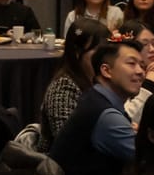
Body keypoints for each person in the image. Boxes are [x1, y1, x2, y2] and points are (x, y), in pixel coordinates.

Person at [49, 38, 144, 175]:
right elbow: (152, 159)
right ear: (106, 71)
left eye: (142, 65)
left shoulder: (95, 99)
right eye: (131, 63)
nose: (140, 71)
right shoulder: (106, 116)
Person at [40, 17, 113, 147]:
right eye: (98, 51)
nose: (105, 57)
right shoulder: (64, 87)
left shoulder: (98, 81)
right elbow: (67, 143)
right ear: (77, 52)